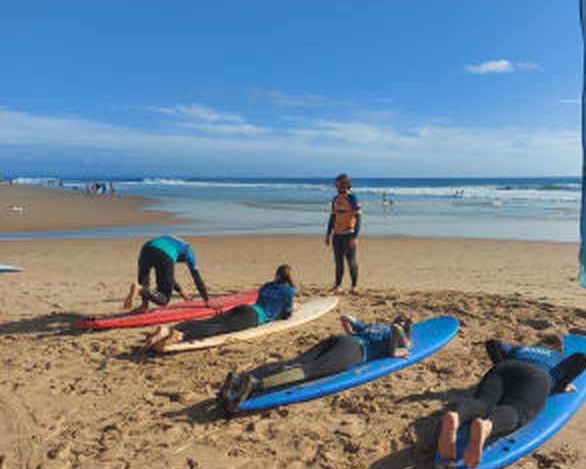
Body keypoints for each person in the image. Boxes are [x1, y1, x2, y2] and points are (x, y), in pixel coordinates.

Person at [437, 333, 586, 469]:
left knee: (482, 404)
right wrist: (562, 384)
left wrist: (500, 362)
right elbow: (581, 359)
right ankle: (487, 426)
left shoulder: (519, 349)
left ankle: (456, 416)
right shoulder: (558, 358)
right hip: (537, 376)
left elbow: (492, 343)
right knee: (517, 411)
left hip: (505, 368)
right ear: (559, 350)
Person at [218, 314, 413, 413]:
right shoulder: (393, 331)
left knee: (294, 362)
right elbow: (396, 336)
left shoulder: (374, 325)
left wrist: (350, 331)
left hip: (341, 340)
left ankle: (239, 378)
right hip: (354, 352)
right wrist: (399, 350)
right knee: (308, 371)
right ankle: (255, 384)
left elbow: (347, 318)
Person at [144, 264, 297, 352]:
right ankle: (181, 336)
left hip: (245, 308)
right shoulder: (289, 291)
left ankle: (167, 330)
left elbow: (262, 300)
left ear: (277, 275)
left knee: (208, 321)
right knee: (219, 328)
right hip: (255, 317)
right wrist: (288, 312)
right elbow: (286, 313)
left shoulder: (267, 286)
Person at [124, 235, 211, 312]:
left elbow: (169, 278)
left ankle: (144, 305)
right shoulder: (189, 251)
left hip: (146, 248)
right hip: (164, 254)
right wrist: (207, 300)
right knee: (164, 299)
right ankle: (139, 289)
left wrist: (182, 293)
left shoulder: (173, 240)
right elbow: (197, 278)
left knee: (144, 276)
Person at [325, 173, 362, 294]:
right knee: (338, 261)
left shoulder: (352, 198)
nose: (336, 187)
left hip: (349, 234)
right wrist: (328, 234)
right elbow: (333, 217)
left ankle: (354, 286)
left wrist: (355, 236)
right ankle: (338, 285)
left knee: (351, 261)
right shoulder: (335, 199)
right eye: (336, 185)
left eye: (338, 185)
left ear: (345, 185)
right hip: (337, 234)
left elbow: (358, 217)